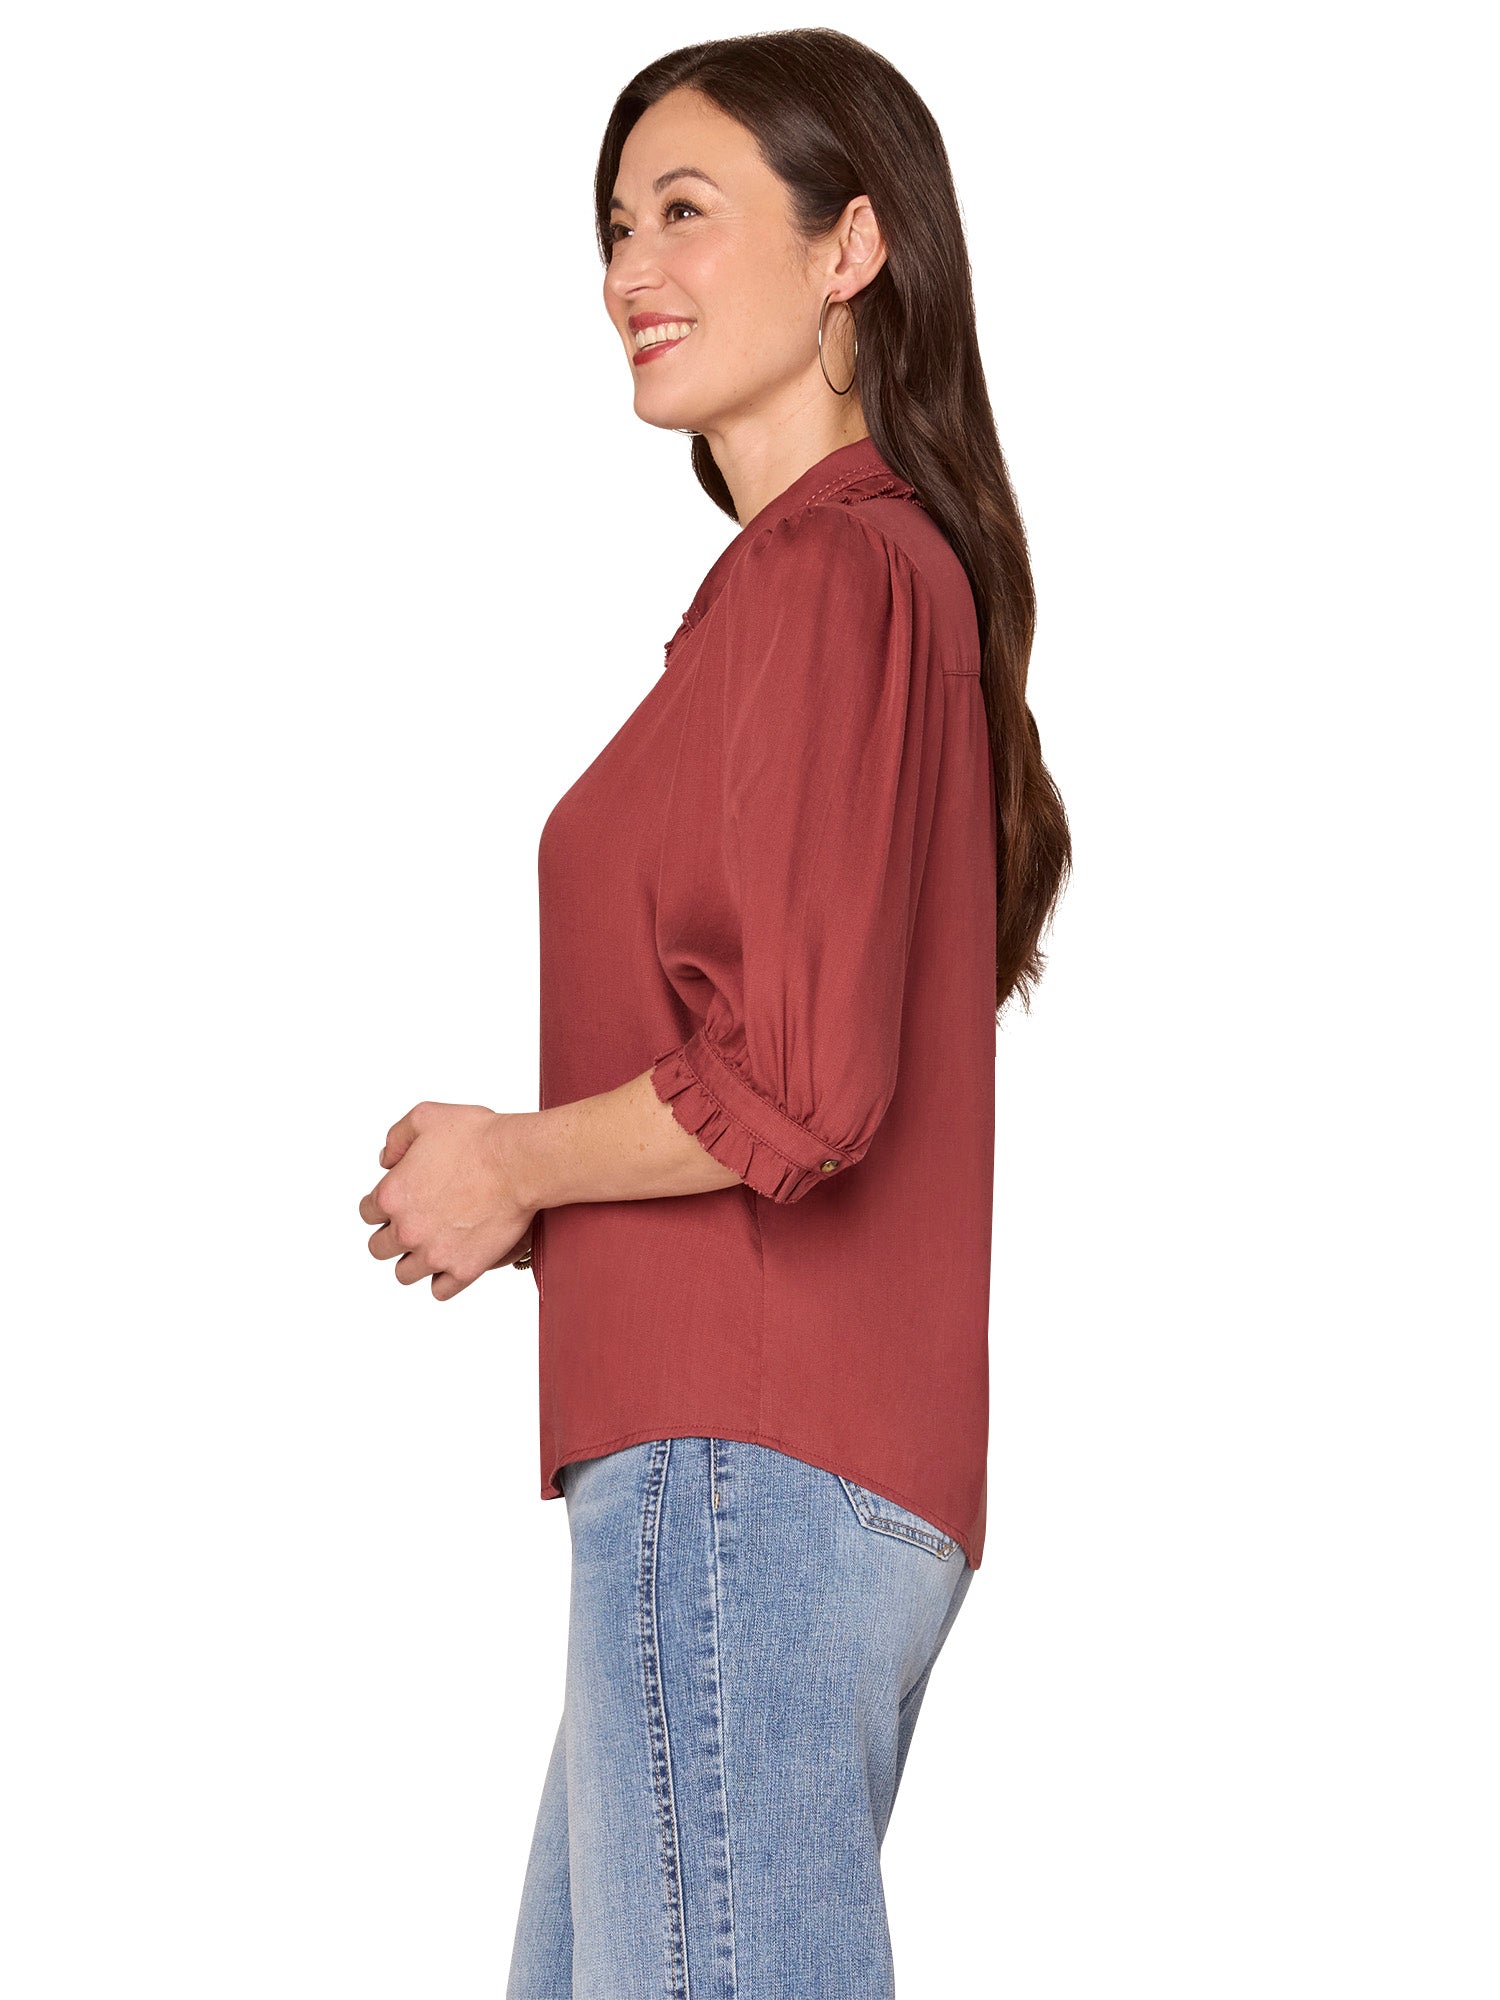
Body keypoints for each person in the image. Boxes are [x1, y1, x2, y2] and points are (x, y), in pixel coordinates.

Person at [358, 29, 1070, 1995]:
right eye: (612, 228)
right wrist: (541, 1191)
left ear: (853, 247)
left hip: (742, 1467)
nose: (629, 272)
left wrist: (518, 1160)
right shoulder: (826, 589)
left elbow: (804, 1086)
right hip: (755, 1474)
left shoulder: (835, 572)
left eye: (685, 211)